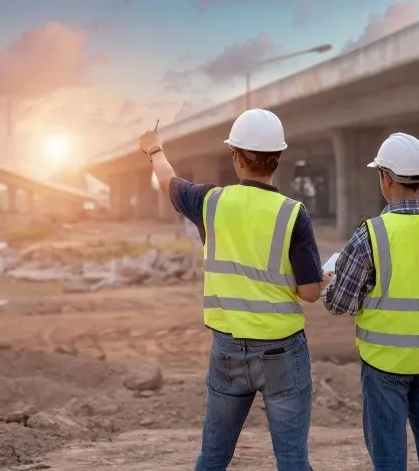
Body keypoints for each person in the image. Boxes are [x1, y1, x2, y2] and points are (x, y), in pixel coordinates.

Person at [139, 109, 323, 471]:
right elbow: (311, 292)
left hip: (227, 350)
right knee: (292, 460)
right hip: (282, 351)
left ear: (235, 156)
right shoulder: (292, 214)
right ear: (278, 158)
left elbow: (168, 181)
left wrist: (154, 150)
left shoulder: (211, 202)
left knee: (213, 457)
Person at [321, 132, 419, 471]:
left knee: (389, 457)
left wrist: (333, 279)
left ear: (386, 178)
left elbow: (340, 305)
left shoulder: (372, 233)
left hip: (384, 365)